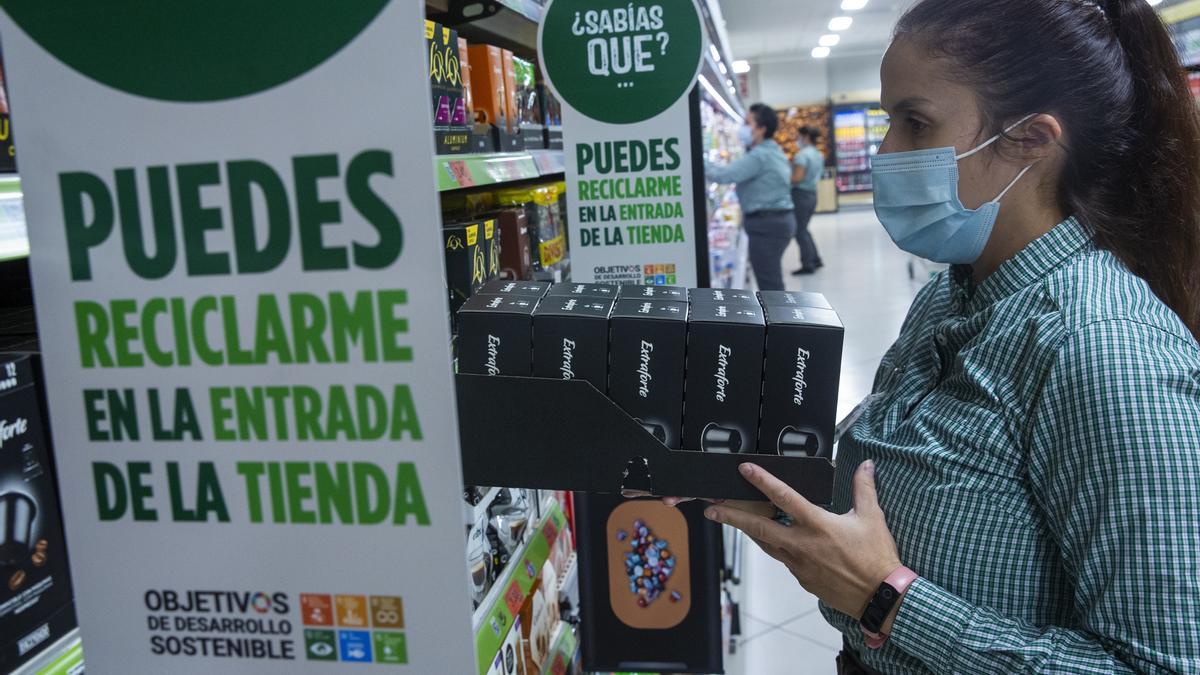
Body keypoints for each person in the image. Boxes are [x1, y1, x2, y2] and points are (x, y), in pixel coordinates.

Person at [681, 0, 1200, 672]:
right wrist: (765, 490)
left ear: (1033, 140)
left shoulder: (1104, 350)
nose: (884, 151)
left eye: (914, 122)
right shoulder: (949, 294)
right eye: (887, 119)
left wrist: (887, 599)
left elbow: (1166, 662)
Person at [705, 103, 794, 291]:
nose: (742, 128)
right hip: (776, 221)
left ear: (761, 129)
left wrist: (695, 157)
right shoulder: (771, 150)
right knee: (771, 277)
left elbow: (723, 175)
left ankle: (779, 318)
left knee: (770, 284)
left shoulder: (759, 156)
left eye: (747, 123)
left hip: (767, 225)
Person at [791, 125, 825, 275]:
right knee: (804, 229)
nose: (797, 140)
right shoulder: (818, 154)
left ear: (805, 137)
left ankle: (808, 264)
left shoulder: (802, 155)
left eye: (798, 136)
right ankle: (816, 259)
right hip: (812, 194)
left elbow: (797, 178)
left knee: (799, 231)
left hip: (800, 195)